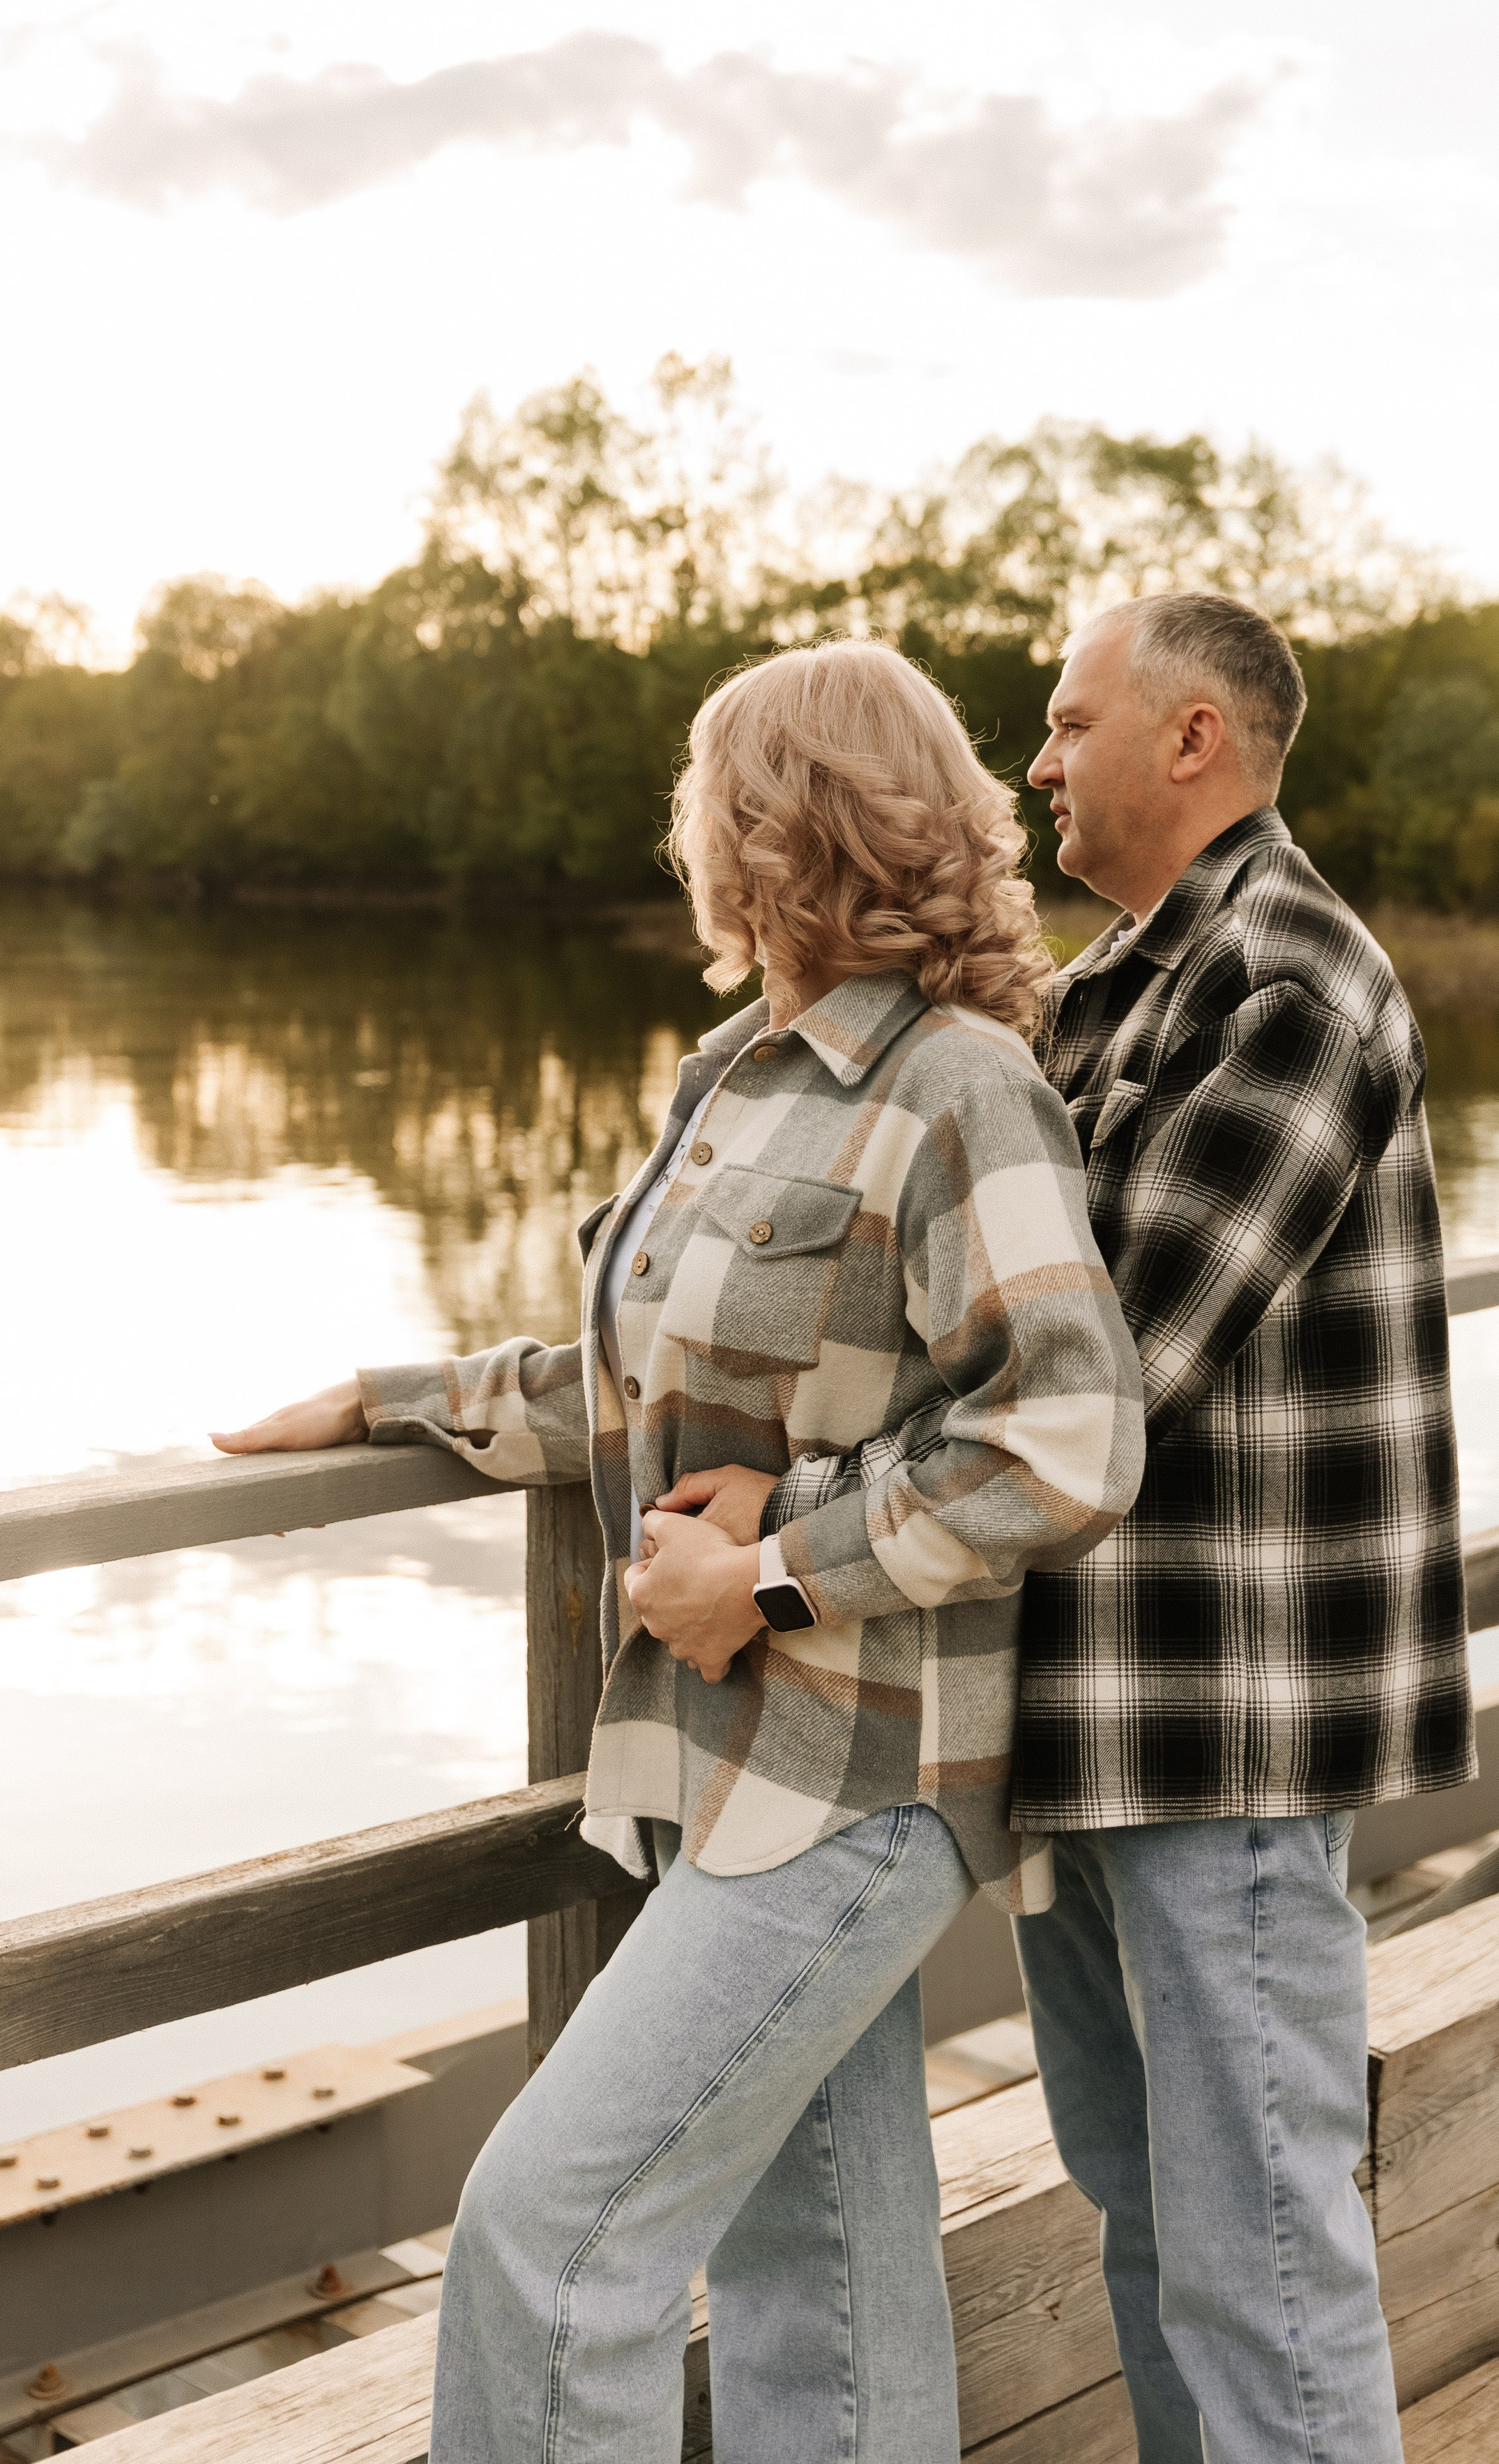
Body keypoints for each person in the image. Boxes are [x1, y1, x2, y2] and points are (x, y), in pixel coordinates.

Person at [213, 639, 1146, 2464]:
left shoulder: (958, 1086)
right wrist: (396, 1398)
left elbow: (1071, 1429)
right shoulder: (736, 1081)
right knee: (828, 2278)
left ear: (768, 825)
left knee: (552, 2243)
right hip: (715, 1769)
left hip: (858, 1780)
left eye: (701, 796)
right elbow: (654, 1386)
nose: (683, 834)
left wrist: (781, 1564)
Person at [673, 592, 1475, 2463]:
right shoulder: (1112, 987)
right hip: (1087, 1726)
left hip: (1228, 1732)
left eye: (1066, 719)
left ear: (1191, 738)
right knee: (1149, 2228)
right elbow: (947, 1324)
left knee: (1262, 2260)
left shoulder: (1289, 977)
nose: (1034, 762)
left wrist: (786, 1521)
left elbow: (1118, 1363)